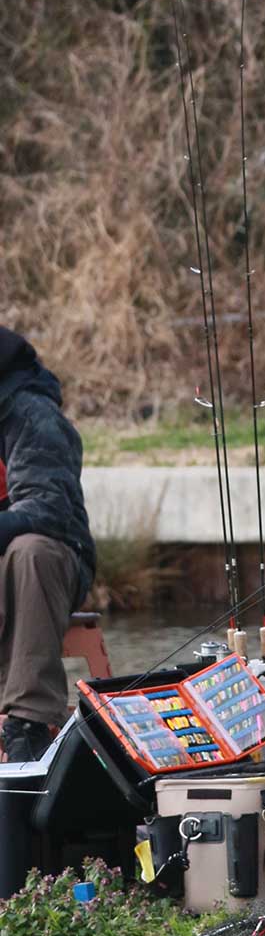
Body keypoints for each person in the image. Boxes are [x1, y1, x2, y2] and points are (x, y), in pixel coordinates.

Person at [0, 327, 96, 763]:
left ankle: (29, 723)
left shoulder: (32, 415)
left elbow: (48, 511)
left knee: (31, 550)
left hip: (51, 563)